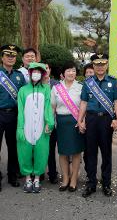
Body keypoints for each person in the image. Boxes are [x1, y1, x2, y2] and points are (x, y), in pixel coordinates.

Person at [78, 53, 117, 198]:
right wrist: (80, 120)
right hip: (91, 119)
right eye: (97, 64)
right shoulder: (88, 82)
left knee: (106, 153)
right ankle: (91, 183)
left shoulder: (113, 82)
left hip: (106, 120)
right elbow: (83, 102)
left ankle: (106, 183)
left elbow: (116, 102)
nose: (100, 67)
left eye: (103, 64)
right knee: (90, 153)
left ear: (106, 65)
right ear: (93, 66)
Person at [17, 62, 54, 193]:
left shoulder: (46, 89)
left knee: (41, 152)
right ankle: (27, 178)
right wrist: (20, 128)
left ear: (42, 74)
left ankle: (37, 178)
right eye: (34, 71)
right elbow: (20, 111)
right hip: (26, 126)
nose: (36, 74)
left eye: (39, 72)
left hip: (41, 127)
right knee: (24, 152)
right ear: (30, 73)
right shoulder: (23, 90)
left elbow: (48, 108)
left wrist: (50, 123)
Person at [51, 61, 84, 192]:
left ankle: (74, 179)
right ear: (63, 73)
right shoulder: (56, 88)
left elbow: (84, 106)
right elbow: (53, 107)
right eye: (68, 70)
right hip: (61, 123)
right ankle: (65, 179)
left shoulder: (81, 87)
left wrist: (82, 121)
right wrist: (51, 123)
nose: (71, 73)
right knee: (63, 152)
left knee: (76, 152)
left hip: (76, 122)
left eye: (73, 70)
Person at [0, 44, 25, 191]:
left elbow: (22, 96)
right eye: (7, 55)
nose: (10, 57)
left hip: (14, 115)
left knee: (13, 147)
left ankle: (12, 175)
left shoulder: (19, 75)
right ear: (2, 57)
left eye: (13, 55)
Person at [43, 62, 59, 184]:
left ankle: (52, 173)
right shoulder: (34, 84)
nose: (45, 70)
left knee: (51, 148)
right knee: (40, 148)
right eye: (42, 68)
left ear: (50, 70)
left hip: (54, 121)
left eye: (46, 68)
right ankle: (39, 172)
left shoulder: (56, 84)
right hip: (39, 122)